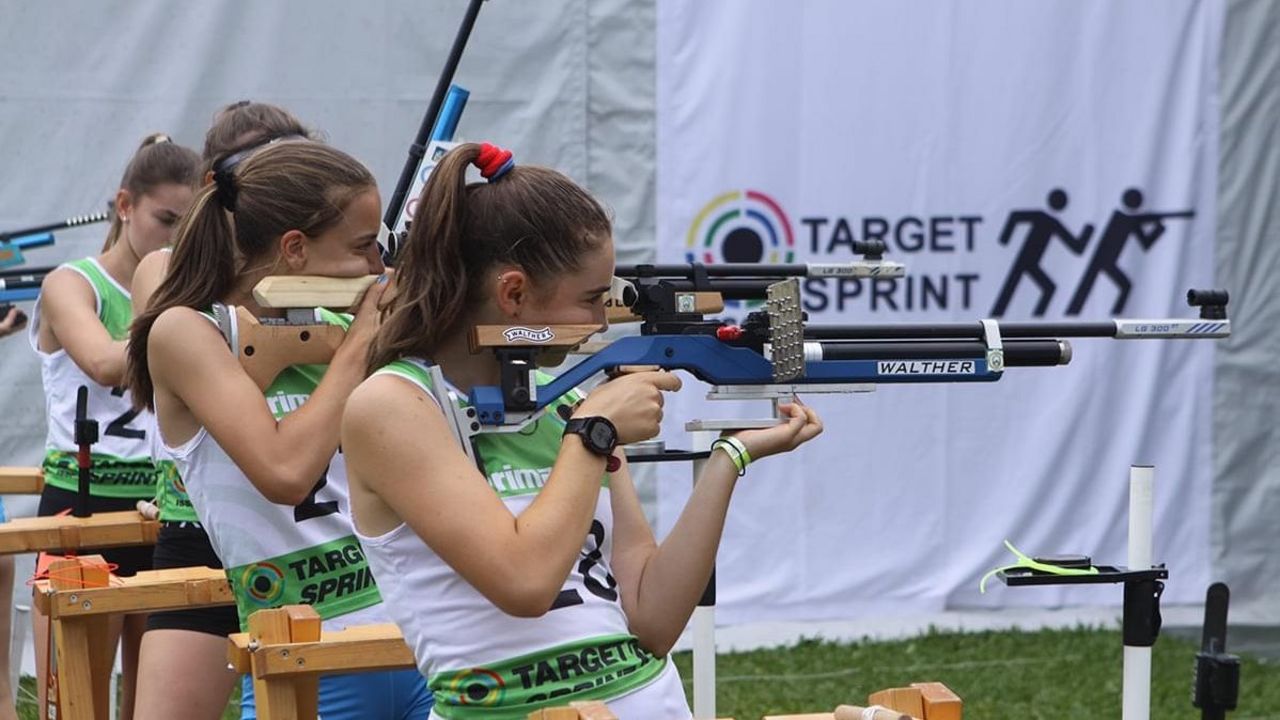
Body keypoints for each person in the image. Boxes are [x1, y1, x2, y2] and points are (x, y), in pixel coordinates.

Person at [342, 143, 824, 718]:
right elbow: (524, 583)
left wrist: (729, 458)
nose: (601, 323)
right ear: (514, 294)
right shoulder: (390, 405)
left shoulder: (566, 401)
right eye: (592, 300)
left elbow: (650, 619)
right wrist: (592, 431)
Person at [126, 140, 432, 719]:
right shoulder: (187, 332)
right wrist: (363, 340)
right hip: (306, 658)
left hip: (421, 640)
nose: (376, 268)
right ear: (294, 249)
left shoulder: (340, 325)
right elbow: (285, 471)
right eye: (364, 247)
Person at [131, 101, 315, 720]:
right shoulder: (167, 268)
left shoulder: (319, 268)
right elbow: (198, 369)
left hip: (307, 540)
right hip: (201, 522)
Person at [28, 133, 200, 717]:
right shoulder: (73, 284)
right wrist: (187, 338)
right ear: (125, 206)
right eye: (165, 219)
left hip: (156, 514)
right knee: (77, 705)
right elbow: (103, 362)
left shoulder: (186, 297)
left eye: (189, 224)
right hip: (82, 510)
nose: (175, 239)